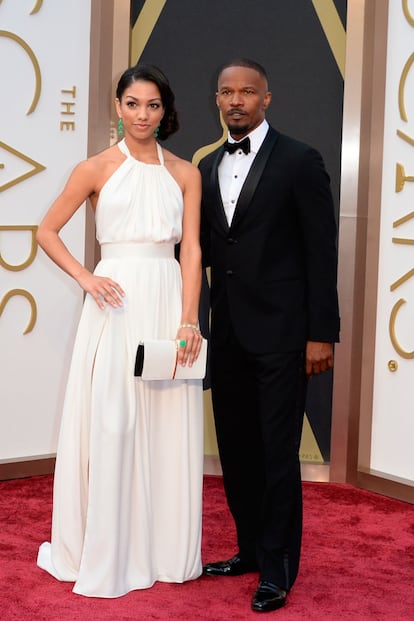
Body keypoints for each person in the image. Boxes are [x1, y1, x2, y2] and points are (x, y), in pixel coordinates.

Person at [36, 64, 204, 598]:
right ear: (117, 106)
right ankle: (109, 549)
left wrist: (188, 318)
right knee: (114, 419)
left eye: (152, 105)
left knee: (164, 419)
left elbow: (192, 250)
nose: (142, 115)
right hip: (115, 301)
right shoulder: (95, 168)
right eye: (132, 104)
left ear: (165, 110)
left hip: (166, 298)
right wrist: (88, 277)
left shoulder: (185, 172)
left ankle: (162, 549)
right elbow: (46, 230)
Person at [199, 58, 340, 613]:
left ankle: (279, 569)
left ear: (267, 98)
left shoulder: (301, 161)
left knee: (278, 453)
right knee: (236, 450)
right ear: (217, 100)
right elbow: (206, 251)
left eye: (248, 92)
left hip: (284, 335)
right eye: (227, 92)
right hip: (228, 333)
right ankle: (250, 550)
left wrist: (321, 333)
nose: (237, 100)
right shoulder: (207, 165)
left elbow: (321, 253)